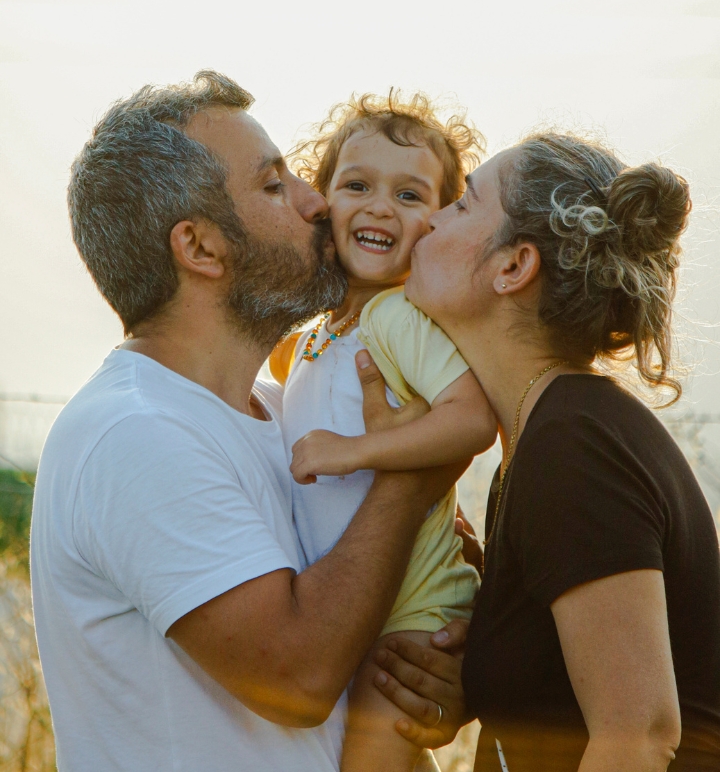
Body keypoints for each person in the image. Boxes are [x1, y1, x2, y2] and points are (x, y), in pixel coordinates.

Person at [30, 71, 468, 772]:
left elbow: (365, 592)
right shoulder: (136, 433)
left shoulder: (285, 405)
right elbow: (297, 678)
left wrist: (430, 664)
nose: (315, 201)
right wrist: (408, 479)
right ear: (200, 248)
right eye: (273, 185)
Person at [378, 131, 720, 770]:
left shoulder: (574, 445)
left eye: (461, 205)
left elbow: (639, 736)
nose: (428, 218)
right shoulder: (547, 435)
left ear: (513, 267)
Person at [269, 92, 496, 772]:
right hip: (352, 607)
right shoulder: (311, 337)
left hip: (413, 608)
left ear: (438, 223)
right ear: (323, 200)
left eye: (408, 194)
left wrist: (355, 452)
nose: (378, 207)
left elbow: (472, 418)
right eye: (356, 185)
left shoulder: (398, 318)